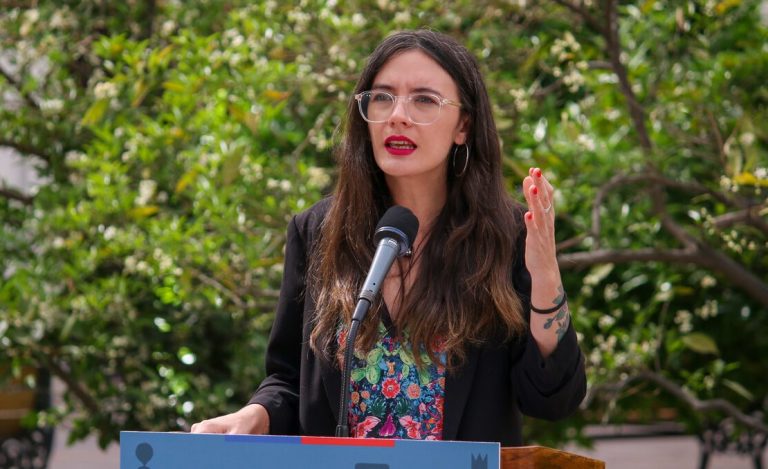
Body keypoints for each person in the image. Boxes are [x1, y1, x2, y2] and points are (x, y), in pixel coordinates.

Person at [191, 29, 585, 446]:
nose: (398, 115)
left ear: (464, 125)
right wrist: (254, 414)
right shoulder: (317, 231)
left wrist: (546, 276)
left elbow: (553, 399)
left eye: (424, 100)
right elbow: (289, 380)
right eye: (382, 97)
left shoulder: (508, 234)